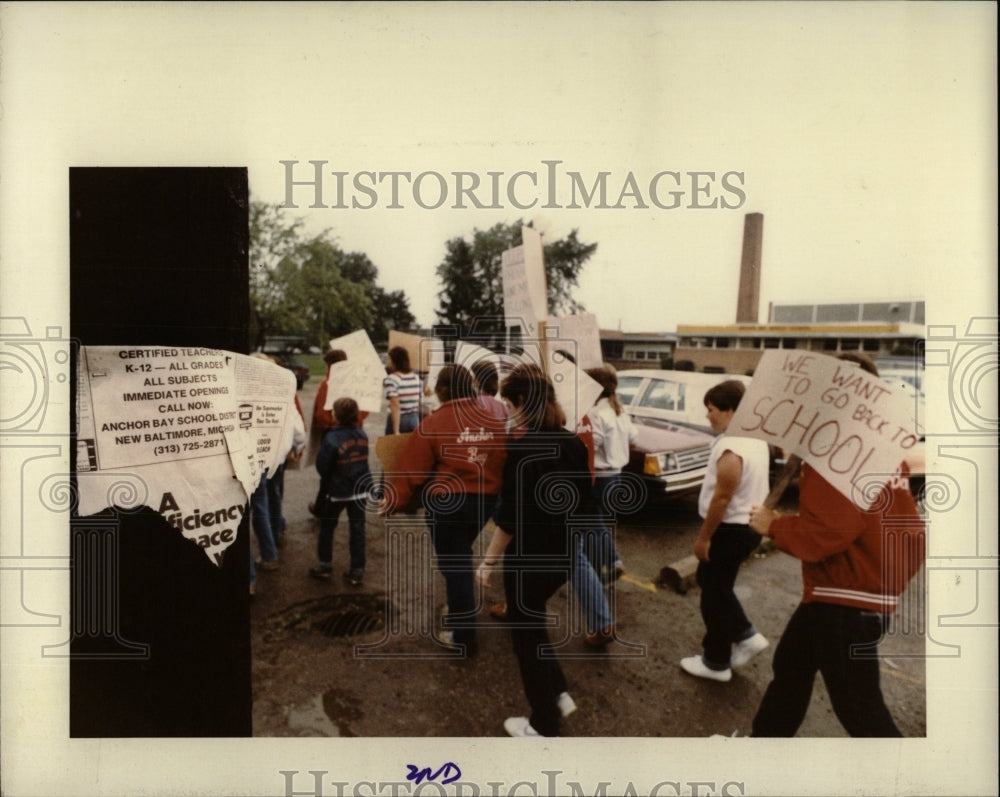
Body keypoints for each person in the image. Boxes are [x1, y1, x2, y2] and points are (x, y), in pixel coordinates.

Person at [747, 353, 926, 737]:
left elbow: (830, 532)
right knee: (791, 669)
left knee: (860, 710)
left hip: (845, 601)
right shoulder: (879, 449)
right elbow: (909, 531)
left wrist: (774, 526)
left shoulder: (837, 450)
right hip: (845, 595)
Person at [478, 364, 596, 737]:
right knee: (534, 627)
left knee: (525, 640)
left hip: (529, 562)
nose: (510, 414)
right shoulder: (572, 442)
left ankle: (543, 724)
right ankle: (558, 692)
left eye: (511, 406)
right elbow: (587, 505)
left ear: (522, 403)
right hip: (563, 556)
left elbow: (509, 519)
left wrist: (486, 563)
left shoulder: (524, 449)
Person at [383, 364, 506, 653]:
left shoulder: (433, 424)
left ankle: (463, 636)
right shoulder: (494, 421)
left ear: (440, 392)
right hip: (484, 504)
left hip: (447, 506)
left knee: (457, 568)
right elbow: (504, 460)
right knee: (460, 560)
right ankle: (458, 613)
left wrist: (393, 502)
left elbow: (410, 472)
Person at [679, 379, 771, 682]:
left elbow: (722, 497)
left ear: (731, 410)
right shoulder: (757, 439)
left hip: (730, 529)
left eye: (712, 410)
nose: (708, 416)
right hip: (748, 526)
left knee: (714, 593)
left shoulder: (733, 447)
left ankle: (721, 657)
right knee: (716, 586)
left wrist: (704, 537)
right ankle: (736, 642)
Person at [584, 364, 637, 582]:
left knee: (591, 526)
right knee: (599, 523)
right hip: (616, 475)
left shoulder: (595, 413)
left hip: (600, 476)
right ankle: (614, 562)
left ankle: (598, 574)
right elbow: (633, 439)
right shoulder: (620, 410)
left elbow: (591, 444)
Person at [310, 397, 372, 586]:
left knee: (328, 527)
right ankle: (357, 570)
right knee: (357, 529)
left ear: (336, 416)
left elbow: (322, 466)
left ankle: (325, 565)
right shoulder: (362, 435)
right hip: (360, 489)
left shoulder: (331, 438)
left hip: (337, 491)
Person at [383, 346, 422, 435]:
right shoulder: (417, 378)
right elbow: (418, 402)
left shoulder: (392, 379)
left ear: (394, 361)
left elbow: (395, 405)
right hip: (414, 418)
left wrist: (396, 431)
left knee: (392, 448)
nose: (388, 363)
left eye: (389, 360)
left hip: (399, 420)